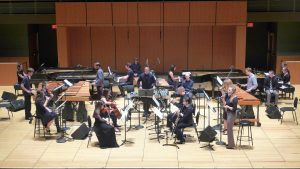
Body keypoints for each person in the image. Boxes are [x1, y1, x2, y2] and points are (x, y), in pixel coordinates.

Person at [223, 85, 238, 149]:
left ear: (233, 91)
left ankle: (231, 145)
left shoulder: (235, 98)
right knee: (228, 130)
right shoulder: (228, 96)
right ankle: (230, 143)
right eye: (228, 90)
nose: (228, 91)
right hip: (228, 113)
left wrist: (228, 107)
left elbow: (234, 109)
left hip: (232, 114)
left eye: (229, 90)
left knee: (230, 130)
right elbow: (226, 103)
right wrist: (223, 99)